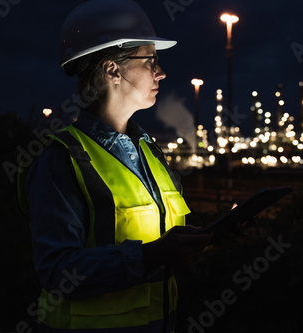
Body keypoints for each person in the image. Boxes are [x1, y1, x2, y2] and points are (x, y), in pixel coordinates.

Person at [17, 0, 212, 332]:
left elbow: (165, 236)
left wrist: (209, 236)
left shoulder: (149, 152)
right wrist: (151, 255)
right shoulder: (61, 159)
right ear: (112, 70)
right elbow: (58, 271)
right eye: (150, 60)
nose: (160, 72)